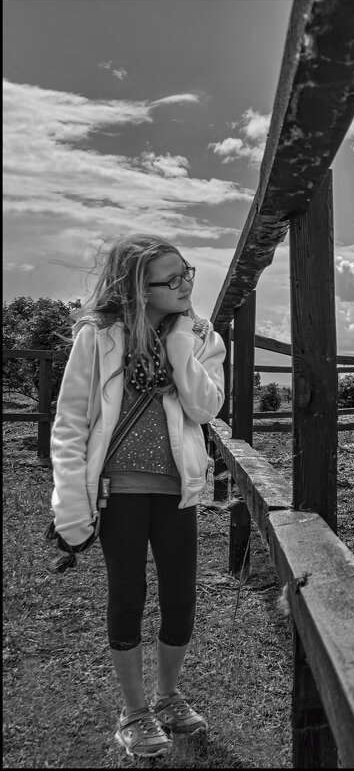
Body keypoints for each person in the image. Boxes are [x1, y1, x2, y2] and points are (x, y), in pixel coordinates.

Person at [50, 234, 226, 758]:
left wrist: (179, 349)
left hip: (178, 490)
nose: (186, 284)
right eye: (172, 279)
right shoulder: (99, 337)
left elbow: (205, 409)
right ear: (139, 289)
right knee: (128, 596)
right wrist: (69, 500)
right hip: (118, 491)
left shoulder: (201, 336)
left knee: (180, 599)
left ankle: (168, 696)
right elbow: (70, 422)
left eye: (187, 272)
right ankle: (135, 711)